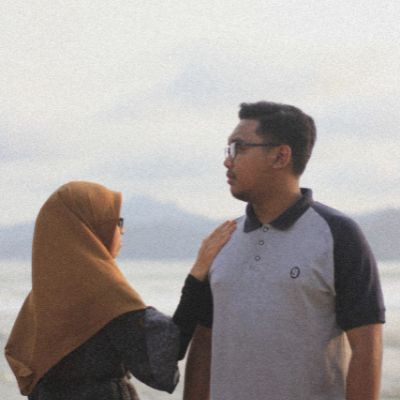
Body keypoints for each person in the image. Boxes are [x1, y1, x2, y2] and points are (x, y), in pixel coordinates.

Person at [184, 101, 386, 400]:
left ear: (281, 156)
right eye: (228, 150)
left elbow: (367, 346)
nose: (228, 161)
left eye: (239, 148)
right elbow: (204, 342)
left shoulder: (338, 234)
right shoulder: (223, 239)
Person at [4, 181, 235, 400]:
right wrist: (198, 271)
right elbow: (166, 351)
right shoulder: (101, 291)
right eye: (117, 222)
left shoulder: (40, 298)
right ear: (89, 228)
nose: (121, 231)